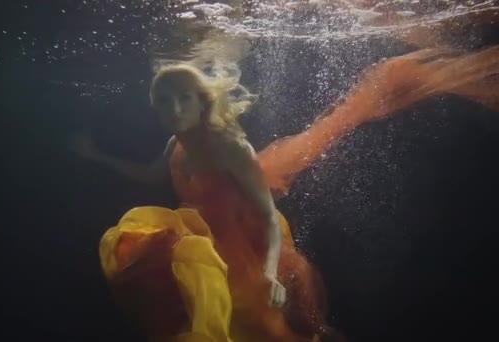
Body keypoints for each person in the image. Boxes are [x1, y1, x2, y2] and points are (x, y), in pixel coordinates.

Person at [73, 46, 499, 341]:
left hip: (245, 258)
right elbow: (150, 179)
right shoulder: (174, 146)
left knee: (264, 332)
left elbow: (266, 216)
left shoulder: (231, 150)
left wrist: (272, 273)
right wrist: (97, 158)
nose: (175, 110)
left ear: (202, 101)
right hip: (201, 249)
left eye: (184, 99)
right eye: (165, 101)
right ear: (156, 105)